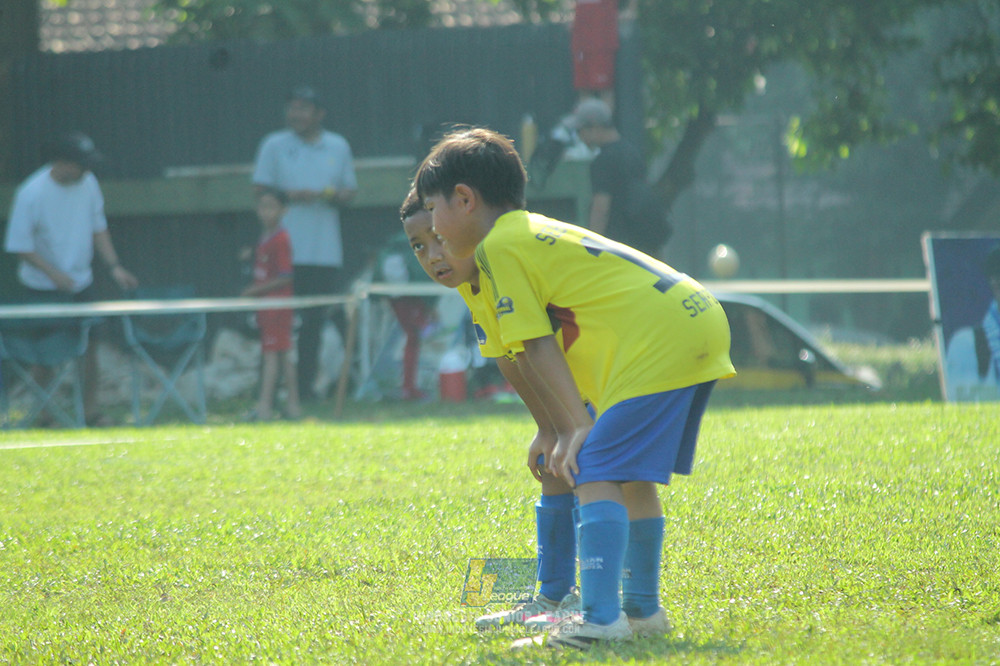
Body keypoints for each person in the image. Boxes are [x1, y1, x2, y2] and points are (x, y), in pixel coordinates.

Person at [415, 128, 735, 649]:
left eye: (433, 210)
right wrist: (554, 426)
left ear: (465, 199)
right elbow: (520, 359)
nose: (432, 228)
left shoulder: (499, 247)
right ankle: (641, 612)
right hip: (692, 318)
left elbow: (539, 347)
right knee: (626, 474)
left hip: (660, 340)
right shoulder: (520, 233)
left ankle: (600, 620)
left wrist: (576, 426)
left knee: (595, 464)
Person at [398, 188, 581, 630]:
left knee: (594, 474)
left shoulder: (502, 262)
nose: (432, 255)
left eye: (438, 238)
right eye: (419, 246)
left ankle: (601, 602)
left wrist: (567, 424)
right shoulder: (470, 286)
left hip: (597, 373)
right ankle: (554, 594)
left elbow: (538, 347)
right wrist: (546, 428)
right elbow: (508, 358)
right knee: (555, 473)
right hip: (569, 384)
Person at [3, 131, 139, 426]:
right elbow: (19, 246)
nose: (86, 170)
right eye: (80, 164)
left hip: (82, 283)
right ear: (61, 163)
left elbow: (98, 227)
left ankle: (89, 412)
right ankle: (44, 414)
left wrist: (114, 266)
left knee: (89, 348)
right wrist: (53, 274)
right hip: (41, 287)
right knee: (45, 354)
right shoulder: (31, 193)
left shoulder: (88, 183)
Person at [252, 85, 358, 401]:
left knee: (313, 322)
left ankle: (306, 390)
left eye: (303, 108)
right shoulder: (273, 145)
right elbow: (259, 190)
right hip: (281, 249)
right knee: (274, 320)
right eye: (292, 108)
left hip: (323, 250)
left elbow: (349, 192)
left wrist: (331, 195)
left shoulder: (337, 146)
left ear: (319, 114)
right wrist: (291, 197)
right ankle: (267, 392)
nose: (296, 114)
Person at [567, 97, 671, 257]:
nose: (579, 137)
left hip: (620, 246)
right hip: (644, 241)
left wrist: (592, 249)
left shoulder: (603, 161)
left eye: (580, 131)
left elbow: (601, 209)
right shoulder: (631, 151)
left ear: (594, 127)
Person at [241, 188, 301, 421]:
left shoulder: (281, 239)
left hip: (277, 306)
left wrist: (253, 291)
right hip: (266, 307)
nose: (265, 212)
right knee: (284, 355)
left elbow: (286, 275)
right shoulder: (264, 239)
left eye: (271, 206)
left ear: (283, 210)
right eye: (262, 206)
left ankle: (265, 408)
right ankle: (292, 406)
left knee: (272, 355)